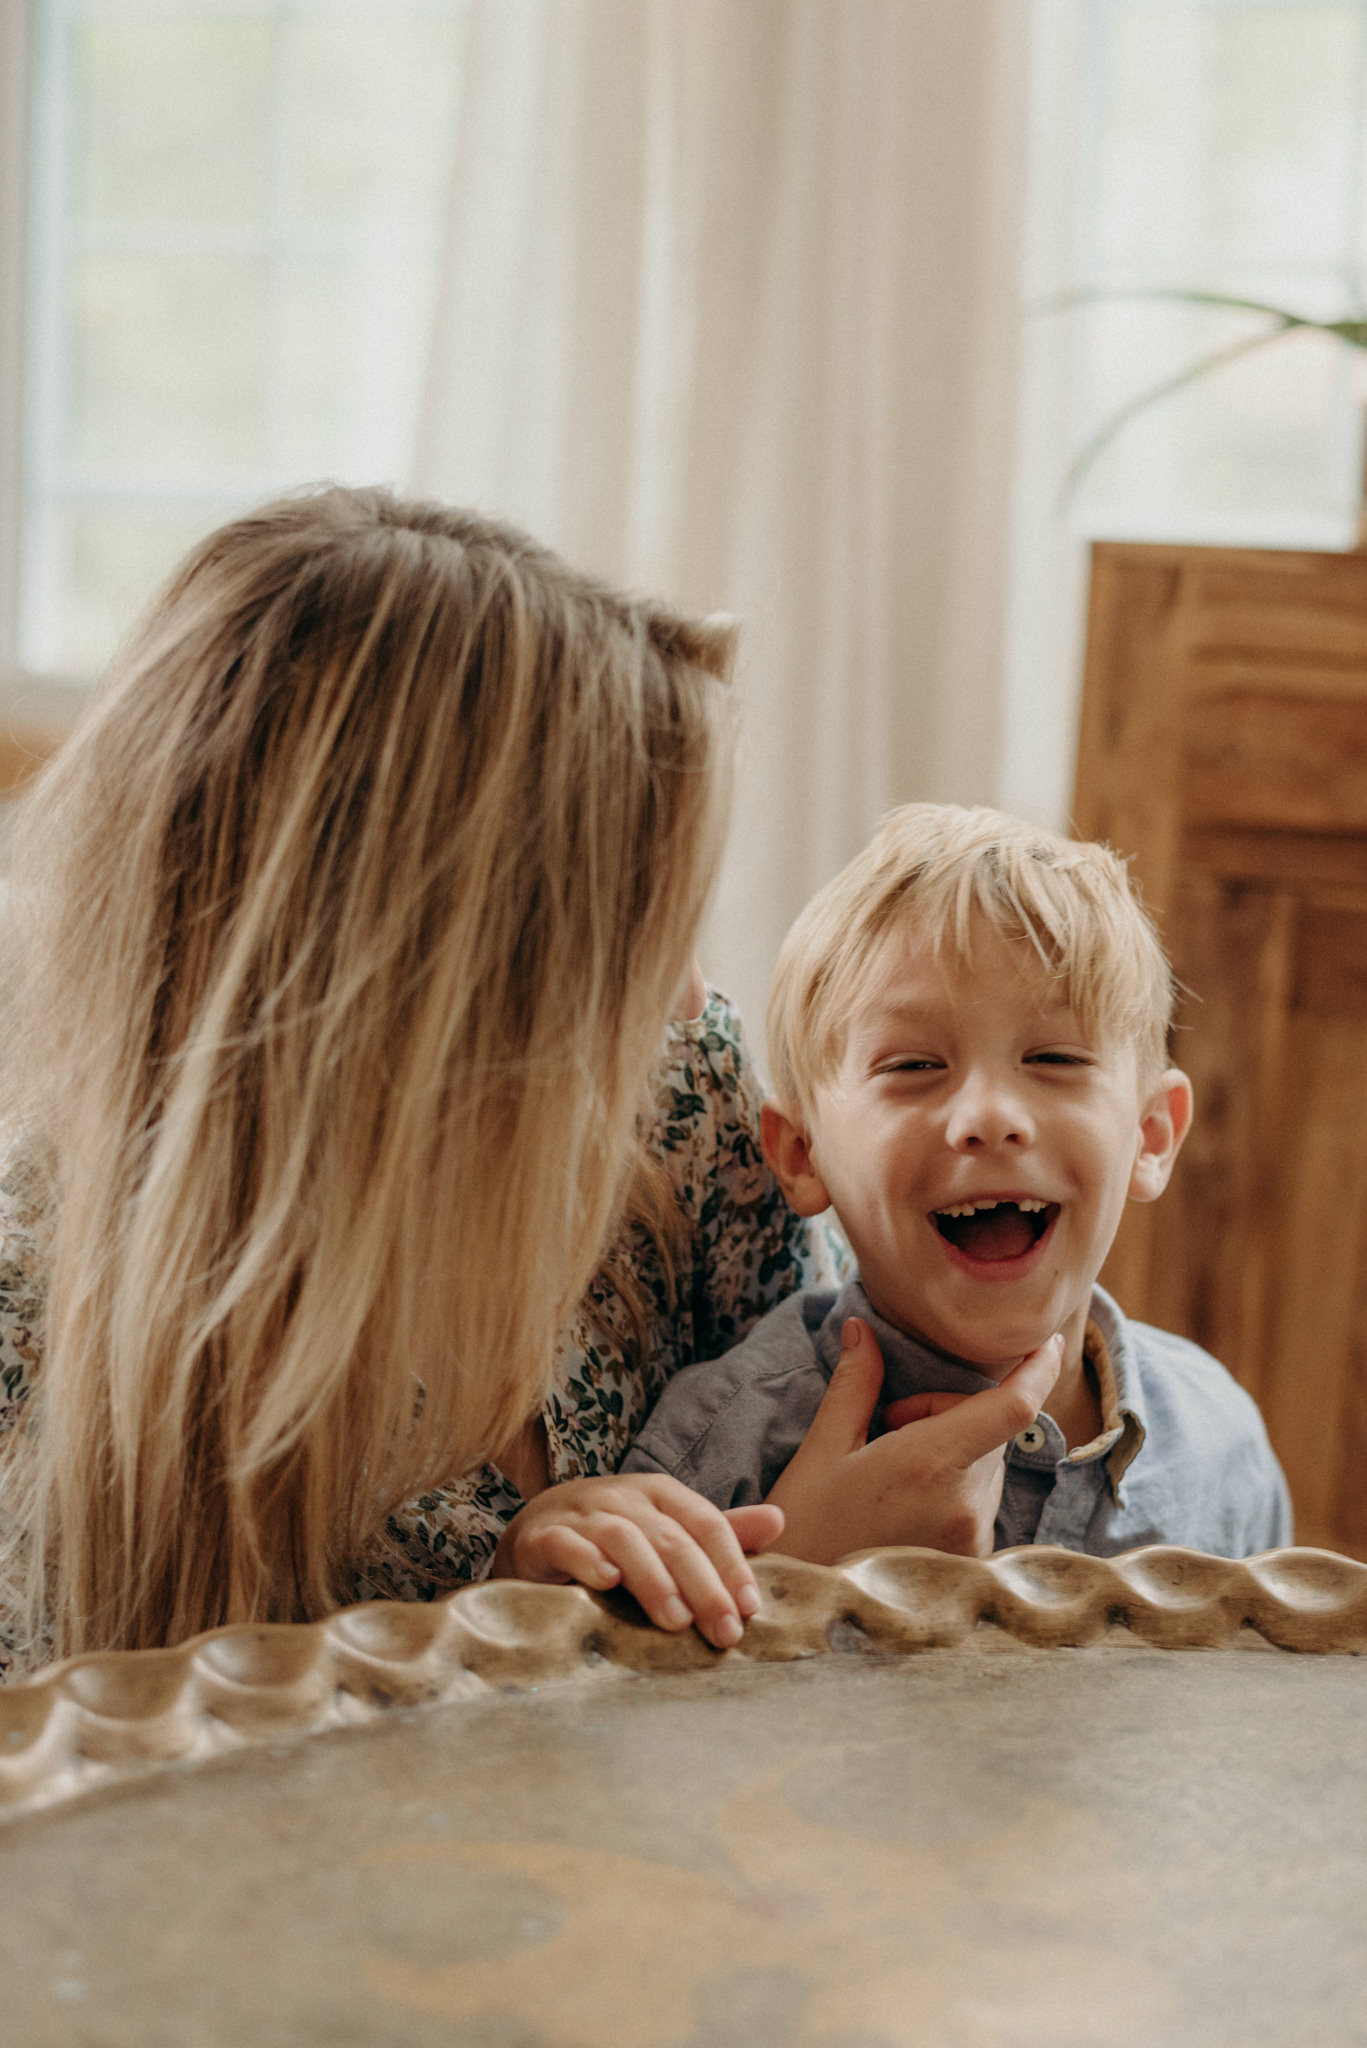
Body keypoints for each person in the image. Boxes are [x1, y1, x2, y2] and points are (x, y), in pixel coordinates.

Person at [0, 485, 836, 1673]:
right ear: (435, 989)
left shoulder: (680, 1100)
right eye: (626, 939)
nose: (677, 998)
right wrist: (502, 1625)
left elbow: (866, 1390)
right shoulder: (38, 1328)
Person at [621, 804, 1292, 1561]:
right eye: (912, 1067)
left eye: (1054, 1059)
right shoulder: (711, 1458)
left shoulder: (1220, 1440)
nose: (990, 1117)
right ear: (802, 1156)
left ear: (1150, 1135)